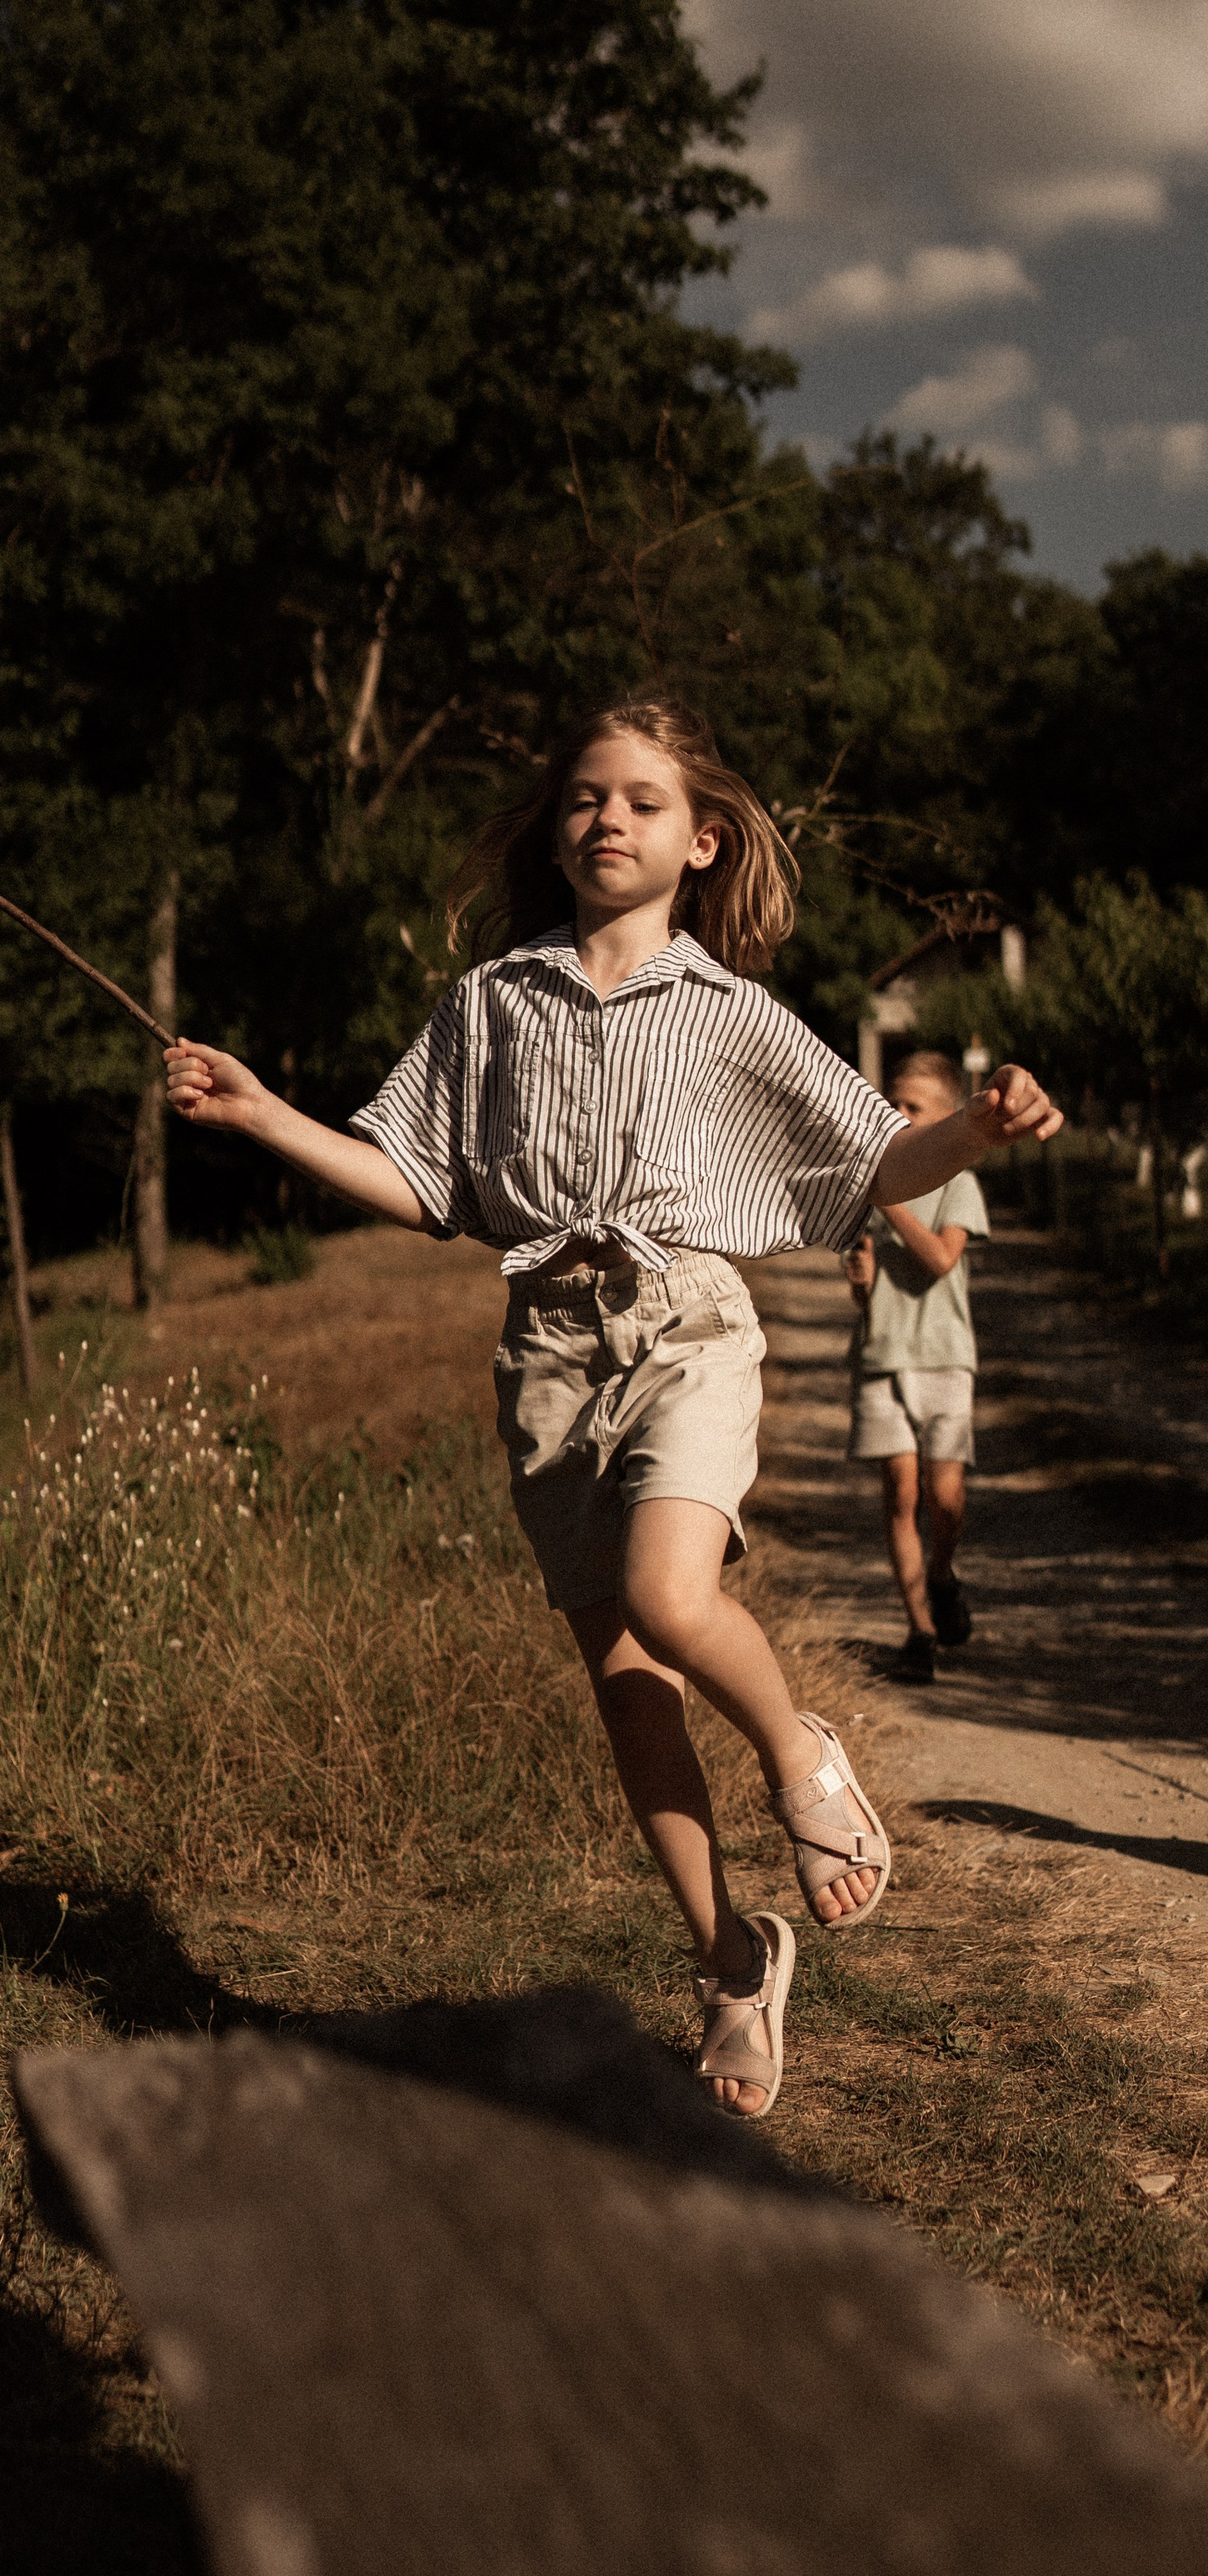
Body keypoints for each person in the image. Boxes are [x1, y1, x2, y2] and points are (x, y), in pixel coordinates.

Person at [162, 696, 1061, 2114]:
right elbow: (427, 1187)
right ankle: (731, 1966)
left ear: (702, 840)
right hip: (546, 1357)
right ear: (556, 826)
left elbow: (874, 1158)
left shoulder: (730, 1015)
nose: (607, 820)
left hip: (686, 1325)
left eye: (642, 801)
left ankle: (796, 1749)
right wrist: (268, 1111)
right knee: (628, 1688)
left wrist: (979, 1131)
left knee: (668, 1594)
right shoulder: (489, 1002)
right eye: (585, 797)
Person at [843, 1049, 988, 1685]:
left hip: (944, 1356)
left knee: (945, 1497)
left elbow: (940, 1260)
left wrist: (890, 1202)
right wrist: (860, 1279)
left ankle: (941, 1572)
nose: (898, 1115)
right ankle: (920, 1631)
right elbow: (870, 1277)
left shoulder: (958, 1183)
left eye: (914, 1107)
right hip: (884, 1353)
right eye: (892, 1103)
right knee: (901, 1494)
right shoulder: (875, 1191)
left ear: (949, 1117)